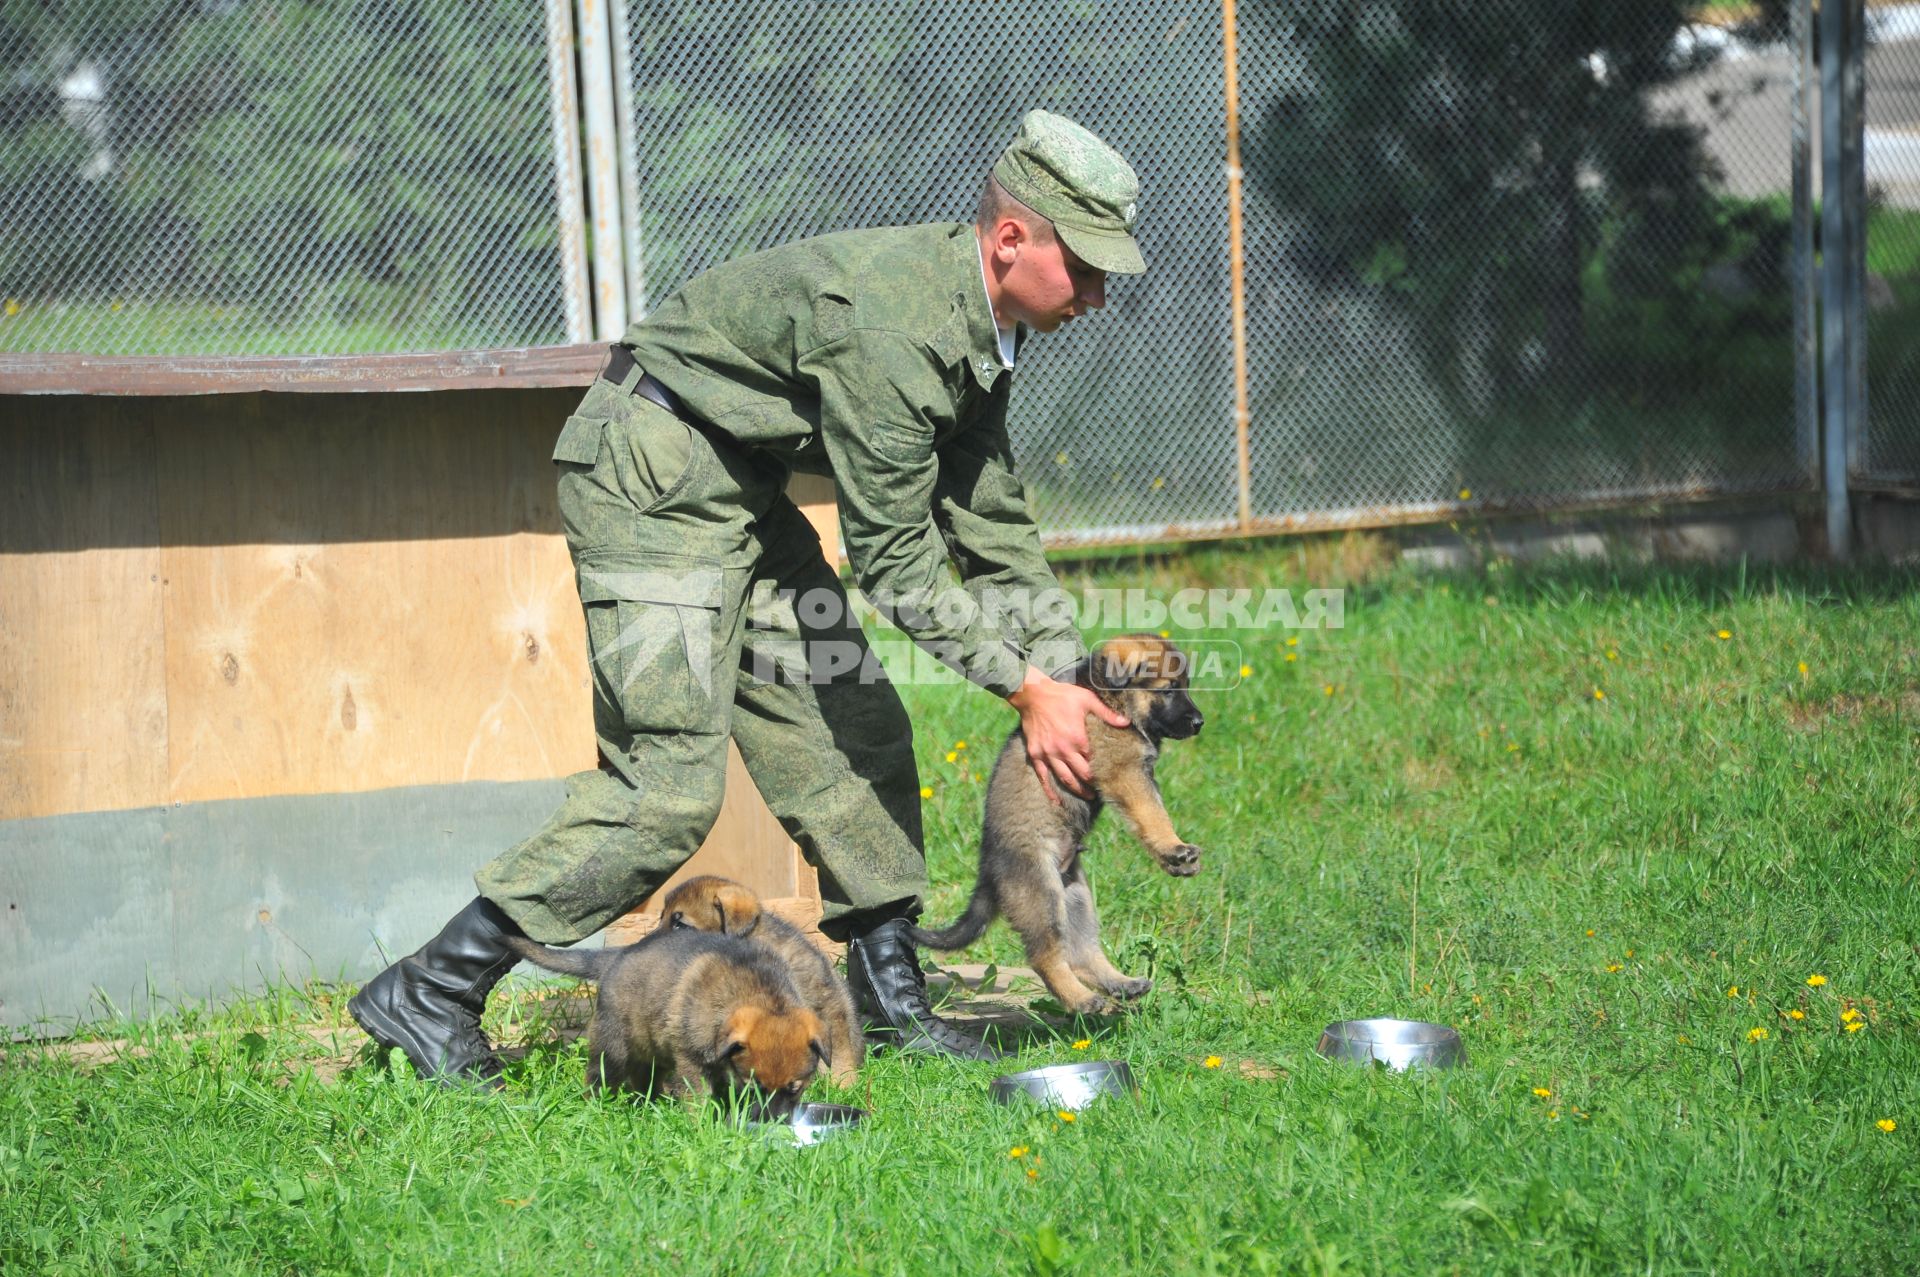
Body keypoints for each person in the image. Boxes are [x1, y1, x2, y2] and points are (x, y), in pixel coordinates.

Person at [349, 109, 1143, 1084]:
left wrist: (1066, 677)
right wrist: (1023, 690)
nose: (1102, 295)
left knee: (858, 721)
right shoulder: (898, 326)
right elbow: (896, 560)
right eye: (1089, 267)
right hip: (652, 484)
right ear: (1011, 239)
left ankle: (889, 998)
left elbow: (985, 515)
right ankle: (431, 987)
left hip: (741, 494)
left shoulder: (984, 326)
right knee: (668, 791)